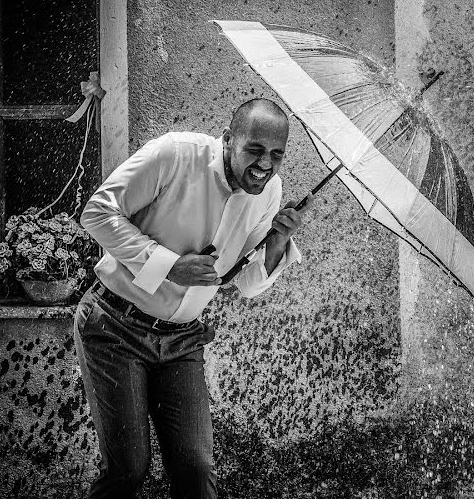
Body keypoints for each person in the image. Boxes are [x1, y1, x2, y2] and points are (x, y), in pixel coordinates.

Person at [74, 97, 313, 499]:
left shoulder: (269, 191)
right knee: (128, 469)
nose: (265, 164)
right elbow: (97, 212)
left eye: (276, 155)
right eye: (254, 149)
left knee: (196, 469)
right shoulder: (175, 154)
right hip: (114, 326)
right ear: (228, 139)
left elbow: (248, 284)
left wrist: (277, 242)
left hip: (183, 339)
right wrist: (169, 265)